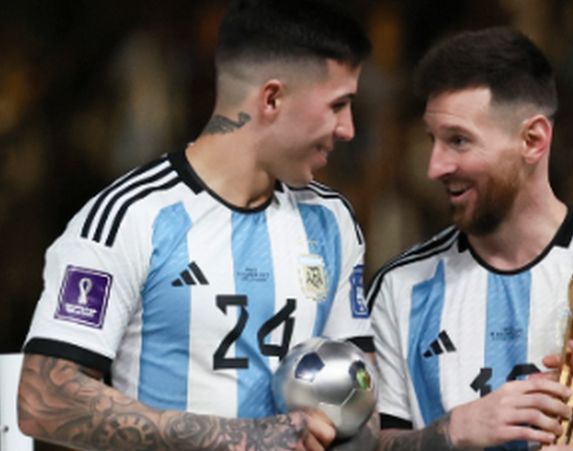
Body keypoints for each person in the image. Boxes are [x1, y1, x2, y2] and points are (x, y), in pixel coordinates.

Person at [17, 1, 377, 450]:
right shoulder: (131, 216)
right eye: (338, 105)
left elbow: (363, 401)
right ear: (272, 99)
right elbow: (43, 398)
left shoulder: (331, 220)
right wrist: (244, 439)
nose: (348, 129)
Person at [367, 27, 573, 450]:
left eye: (458, 141)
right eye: (433, 140)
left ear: (532, 140)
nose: (435, 166)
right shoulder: (400, 286)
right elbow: (373, 443)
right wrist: (455, 430)